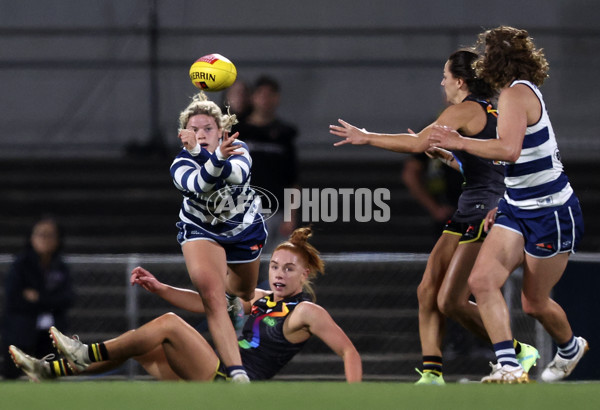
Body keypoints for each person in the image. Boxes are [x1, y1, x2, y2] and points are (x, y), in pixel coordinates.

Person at [330, 49, 539, 385]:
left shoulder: (465, 109)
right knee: (429, 290)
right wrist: (450, 159)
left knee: (450, 299)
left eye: (445, 75)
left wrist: (367, 136)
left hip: (483, 211)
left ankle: (513, 353)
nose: (442, 81)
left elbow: (416, 144)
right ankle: (432, 374)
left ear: (460, 80)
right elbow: (487, 164)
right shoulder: (488, 110)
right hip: (467, 208)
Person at [428, 26, 587, 383]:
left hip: (551, 211)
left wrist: (460, 143)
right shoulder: (509, 95)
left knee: (534, 303)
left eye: (486, 54)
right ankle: (509, 366)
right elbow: (508, 161)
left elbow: (508, 150)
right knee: (483, 280)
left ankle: (570, 346)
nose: (480, 61)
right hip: (516, 206)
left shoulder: (515, 95)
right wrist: (454, 158)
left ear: (496, 60)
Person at [8, 227, 363, 383]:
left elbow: (349, 353)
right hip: (209, 372)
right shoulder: (259, 297)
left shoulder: (306, 311)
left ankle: (86, 352)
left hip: (232, 383)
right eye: (274, 266)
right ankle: (49, 371)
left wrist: (353, 400)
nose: (279, 274)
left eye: (289, 269)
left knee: (169, 325)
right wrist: (160, 287)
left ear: (306, 275)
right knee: (142, 346)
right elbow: (207, 304)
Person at [169, 91, 268, 382]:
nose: (201, 134)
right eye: (194, 129)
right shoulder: (181, 164)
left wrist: (212, 156)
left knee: (244, 293)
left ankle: (234, 295)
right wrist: (204, 156)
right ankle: (237, 373)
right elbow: (201, 185)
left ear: (222, 131)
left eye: (208, 129)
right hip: (201, 229)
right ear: (183, 134)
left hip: (243, 230)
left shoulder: (239, 148)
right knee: (212, 295)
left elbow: (235, 176)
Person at [1, 216, 75, 379]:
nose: (45, 240)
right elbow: (15, 299)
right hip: (21, 330)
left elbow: (67, 298)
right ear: (31, 237)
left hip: (51, 330)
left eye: (50, 235)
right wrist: (49, 301)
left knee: (49, 374)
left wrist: (39, 299)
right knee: (13, 374)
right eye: (41, 235)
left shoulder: (60, 267)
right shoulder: (20, 265)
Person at [235, 75, 299, 256]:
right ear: (253, 97)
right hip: (244, 211)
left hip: (276, 212)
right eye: (261, 94)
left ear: (277, 99)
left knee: (276, 269)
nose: (265, 99)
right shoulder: (237, 131)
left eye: (270, 95)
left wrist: (291, 216)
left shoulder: (284, 135)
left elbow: (292, 180)